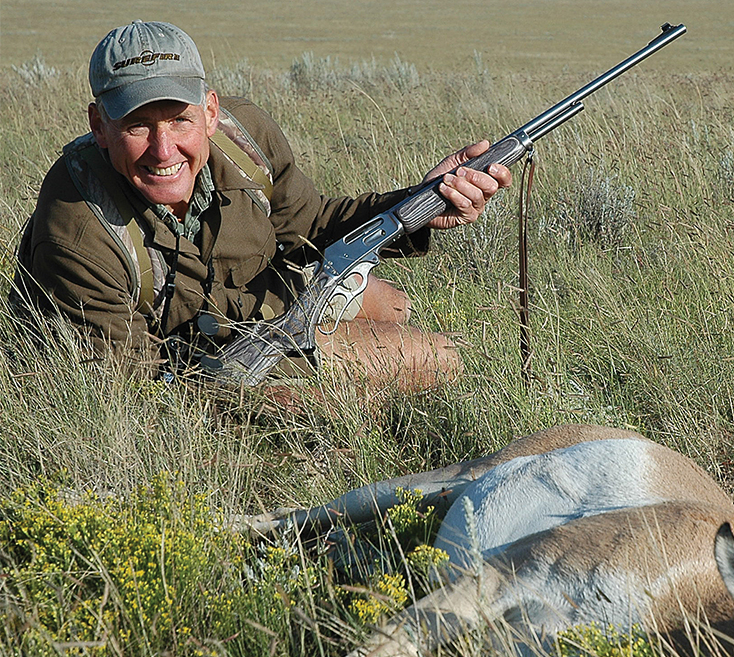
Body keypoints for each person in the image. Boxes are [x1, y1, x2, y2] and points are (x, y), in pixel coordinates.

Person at [10, 20, 511, 392]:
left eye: (180, 121)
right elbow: (130, 392)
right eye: (138, 126)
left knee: (394, 306)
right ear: (99, 126)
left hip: (257, 312)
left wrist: (420, 203)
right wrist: (302, 373)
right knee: (438, 358)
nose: (164, 151)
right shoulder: (75, 229)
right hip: (185, 368)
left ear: (210, 111)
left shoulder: (244, 137)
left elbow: (309, 227)